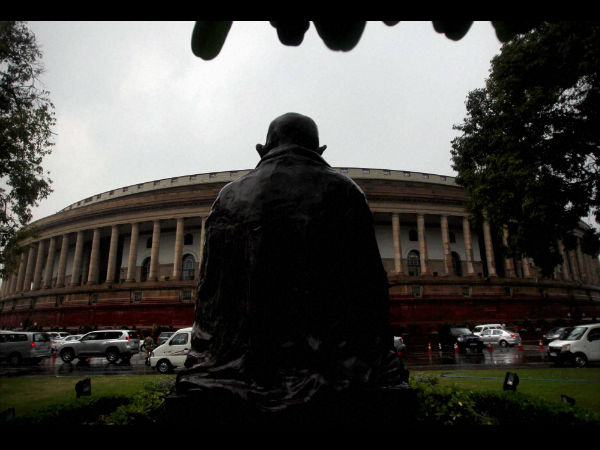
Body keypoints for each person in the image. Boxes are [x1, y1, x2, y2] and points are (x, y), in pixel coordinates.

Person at [176, 113, 408, 411]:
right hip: (331, 364)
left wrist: (209, 358)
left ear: (261, 149)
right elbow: (370, 287)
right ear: (319, 150)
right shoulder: (346, 192)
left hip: (240, 363)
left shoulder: (227, 197)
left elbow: (208, 293)